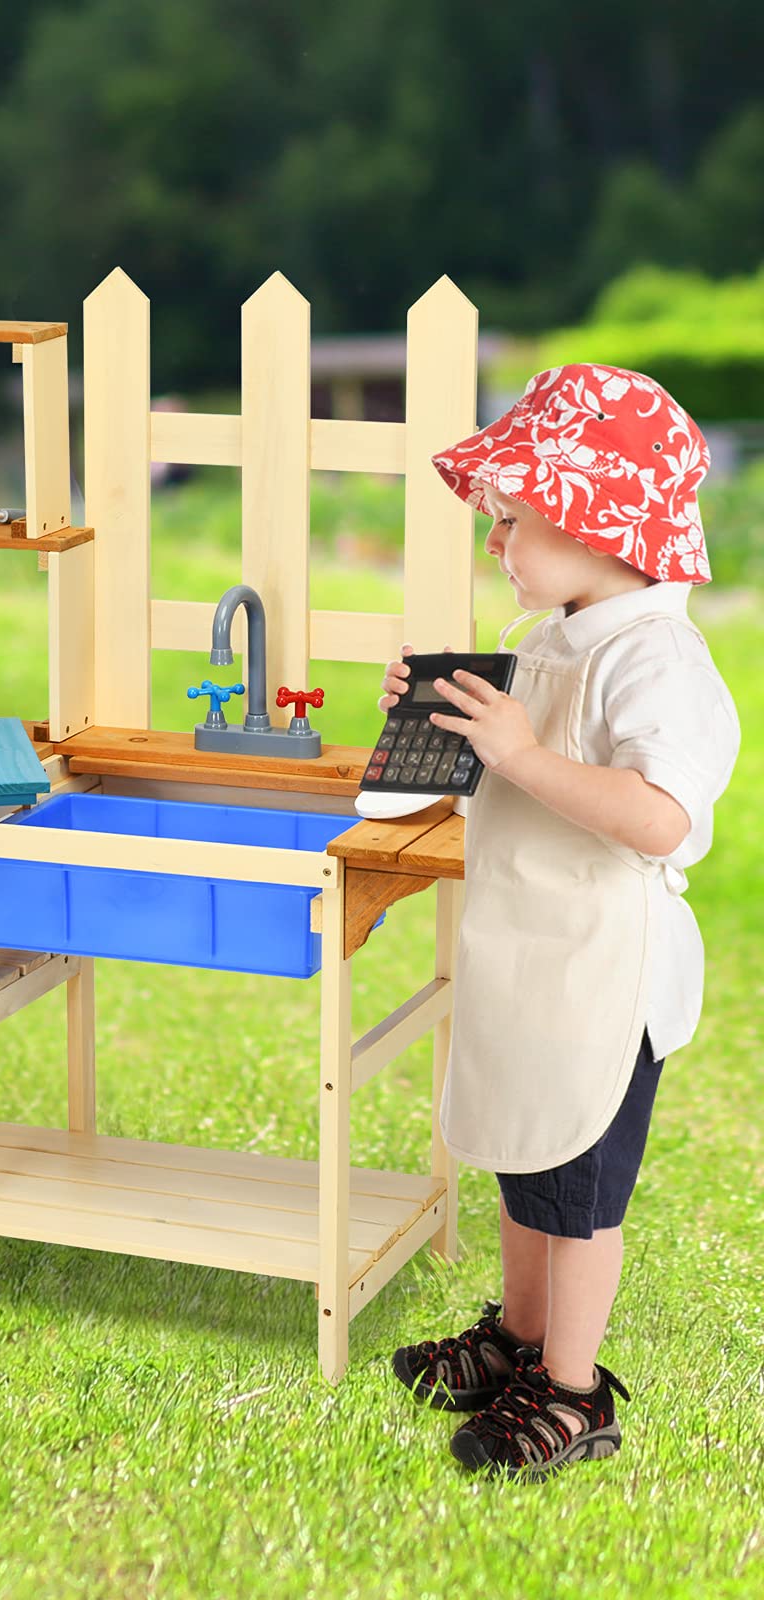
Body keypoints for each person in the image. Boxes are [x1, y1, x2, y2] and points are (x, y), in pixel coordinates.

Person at [383, 364, 739, 1477]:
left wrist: (524, 753)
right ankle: (521, 1340)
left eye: (515, 518)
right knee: (526, 1156)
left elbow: (659, 814)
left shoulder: (657, 660)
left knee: (579, 1193)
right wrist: (444, 725)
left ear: (597, 523)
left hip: (602, 967)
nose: (497, 538)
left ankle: (574, 1393)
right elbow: (498, 781)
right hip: (529, 948)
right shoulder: (548, 635)